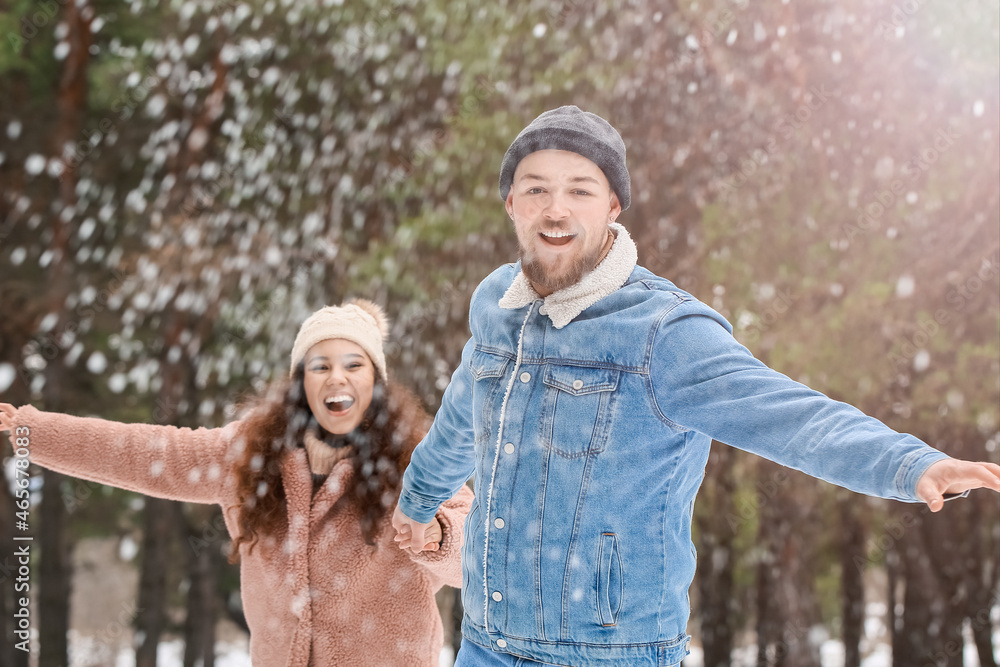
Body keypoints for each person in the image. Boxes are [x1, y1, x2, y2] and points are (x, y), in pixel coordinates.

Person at [390, 106, 1000, 667]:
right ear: (512, 205)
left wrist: (909, 463)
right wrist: (419, 500)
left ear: (612, 207)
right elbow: (463, 418)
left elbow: (789, 415)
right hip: (487, 642)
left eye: (580, 190)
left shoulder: (662, 332)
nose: (557, 209)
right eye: (537, 190)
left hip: (612, 652)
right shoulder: (497, 305)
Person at [1, 299, 473, 667]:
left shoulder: (417, 460)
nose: (337, 378)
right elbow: (143, 454)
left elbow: (475, 554)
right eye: (320, 365)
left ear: (376, 380)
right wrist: (31, 431)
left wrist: (439, 534)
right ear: (300, 382)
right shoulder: (250, 458)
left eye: (354, 365)